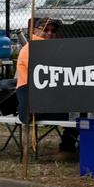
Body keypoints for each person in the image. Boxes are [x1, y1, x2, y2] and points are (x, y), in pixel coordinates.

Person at [14, 17, 78, 161]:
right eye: (45, 30)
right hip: (33, 103)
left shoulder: (51, 49)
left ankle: (73, 148)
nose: (50, 33)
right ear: (34, 31)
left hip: (45, 99)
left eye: (53, 31)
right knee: (80, 112)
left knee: (82, 109)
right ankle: (68, 149)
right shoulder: (34, 49)